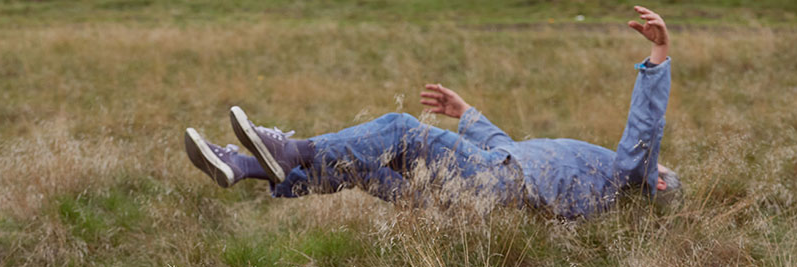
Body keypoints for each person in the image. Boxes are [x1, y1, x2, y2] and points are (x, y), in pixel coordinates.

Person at [185, 6, 681, 219]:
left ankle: (287, 149)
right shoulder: (591, 182)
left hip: (495, 189)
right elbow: (509, 153)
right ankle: (245, 166)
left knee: (400, 130)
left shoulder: (627, 178)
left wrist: (658, 59)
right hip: (470, 203)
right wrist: (468, 115)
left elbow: (644, 133)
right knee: (363, 166)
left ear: (657, 184)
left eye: (657, 169)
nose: (651, 164)